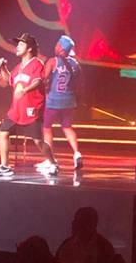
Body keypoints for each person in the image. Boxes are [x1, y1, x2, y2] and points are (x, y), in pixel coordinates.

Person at [0, 33, 58, 177]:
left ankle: (53, 163)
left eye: (21, 44)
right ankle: (4, 166)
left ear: (30, 48)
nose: (17, 47)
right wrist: (3, 67)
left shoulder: (37, 63)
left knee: (38, 141)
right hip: (16, 110)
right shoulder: (19, 66)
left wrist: (25, 90)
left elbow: (38, 81)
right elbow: (10, 80)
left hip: (32, 109)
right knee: (3, 132)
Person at [39, 35, 83, 172]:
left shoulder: (53, 61)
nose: (56, 46)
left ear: (62, 49)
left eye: (58, 44)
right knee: (67, 127)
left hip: (53, 100)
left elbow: (43, 79)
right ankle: (77, 153)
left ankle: (49, 159)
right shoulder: (75, 64)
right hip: (69, 101)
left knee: (46, 128)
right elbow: (79, 82)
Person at [56, 207, 125, 263]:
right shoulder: (66, 245)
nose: (73, 223)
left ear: (90, 224)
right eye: (76, 220)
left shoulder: (104, 247)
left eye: (78, 220)